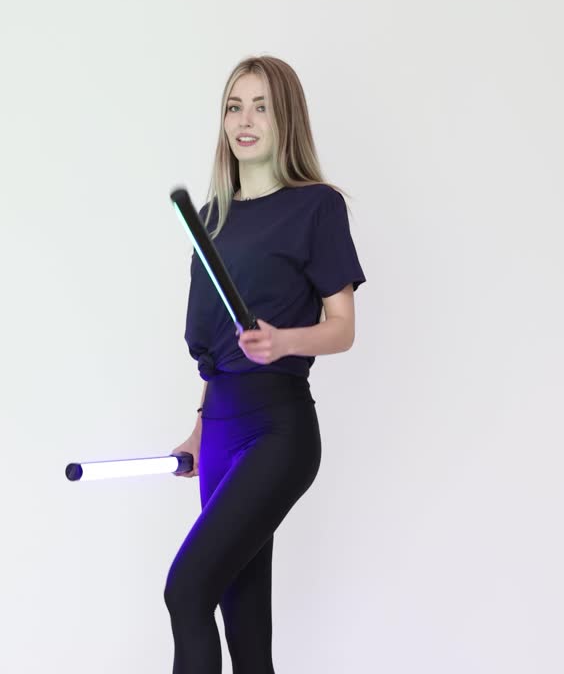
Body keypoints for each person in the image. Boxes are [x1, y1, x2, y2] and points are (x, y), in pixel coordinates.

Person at [164, 55, 366, 673]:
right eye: (234, 105)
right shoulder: (212, 220)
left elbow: (343, 330)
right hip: (221, 433)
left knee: (187, 590)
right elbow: (212, 356)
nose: (244, 120)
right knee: (245, 629)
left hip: (277, 431)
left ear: (286, 121)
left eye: (261, 106)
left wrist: (285, 342)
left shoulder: (316, 207)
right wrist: (199, 430)